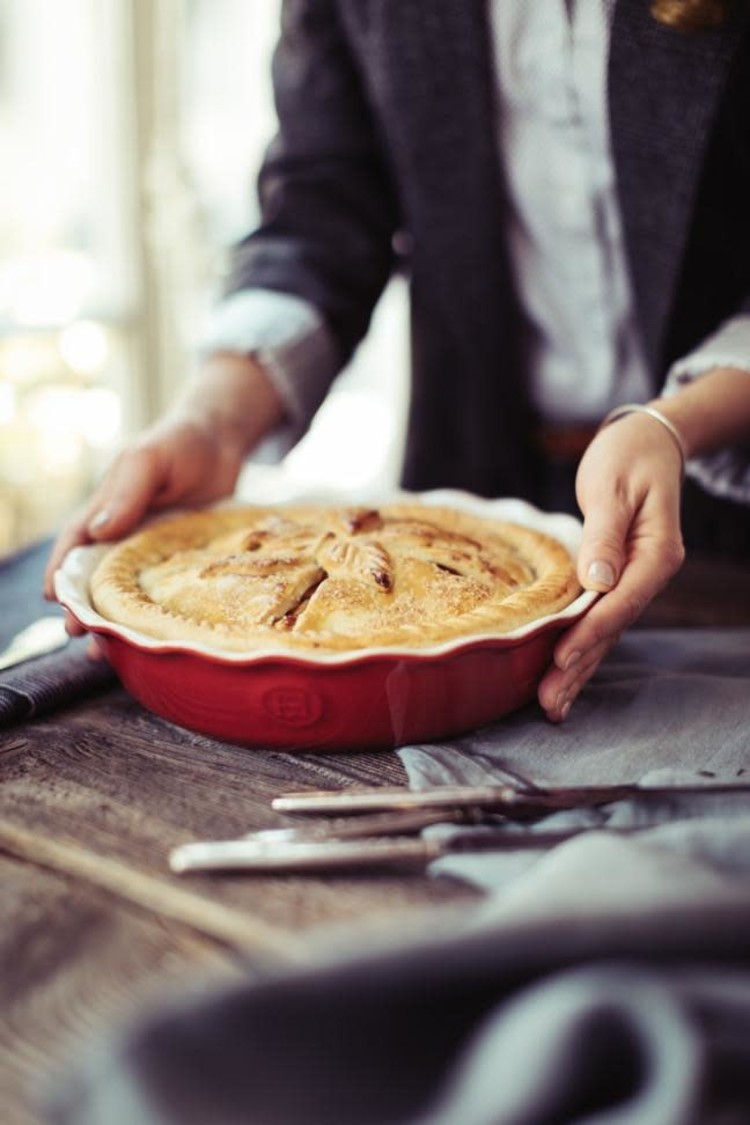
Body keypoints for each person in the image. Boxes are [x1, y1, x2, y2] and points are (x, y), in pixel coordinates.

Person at [44, 0, 750, 722]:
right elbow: (323, 208)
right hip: (470, 474)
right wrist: (212, 421)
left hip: (724, 506)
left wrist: (676, 424)